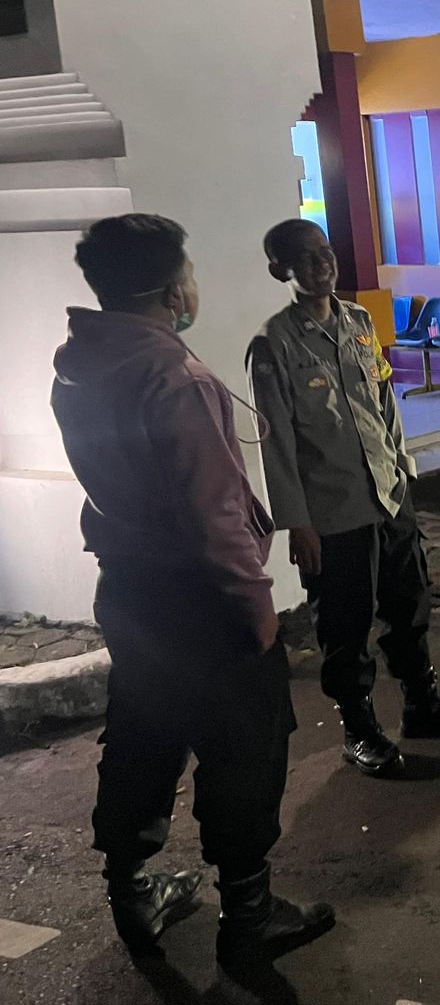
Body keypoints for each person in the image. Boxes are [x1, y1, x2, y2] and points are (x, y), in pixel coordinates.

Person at [51, 214, 333, 966]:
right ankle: (249, 916)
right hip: (200, 598)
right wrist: (259, 611)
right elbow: (215, 518)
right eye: (192, 273)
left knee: (142, 735)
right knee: (245, 749)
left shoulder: (77, 364)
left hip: (130, 590)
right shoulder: (176, 379)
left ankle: (132, 892)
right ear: (174, 290)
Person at [248, 220, 440, 779]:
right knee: (345, 625)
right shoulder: (274, 344)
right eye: (305, 258)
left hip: (387, 497)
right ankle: (358, 730)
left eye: (325, 252)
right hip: (333, 515)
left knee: (409, 606)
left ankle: (421, 704)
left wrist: (402, 469)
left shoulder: (357, 322)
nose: (321, 264)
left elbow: (384, 403)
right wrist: (297, 523)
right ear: (280, 270)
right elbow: (275, 444)